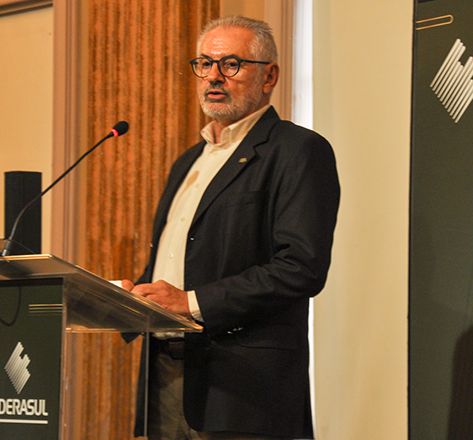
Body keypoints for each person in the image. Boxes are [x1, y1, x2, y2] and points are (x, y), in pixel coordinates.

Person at [121, 15, 340, 440]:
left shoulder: (297, 150)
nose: (213, 77)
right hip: (165, 374)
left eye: (231, 64)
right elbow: (178, 262)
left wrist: (191, 302)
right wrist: (129, 299)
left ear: (269, 76)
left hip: (244, 389)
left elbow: (301, 267)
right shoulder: (188, 162)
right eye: (205, 64)